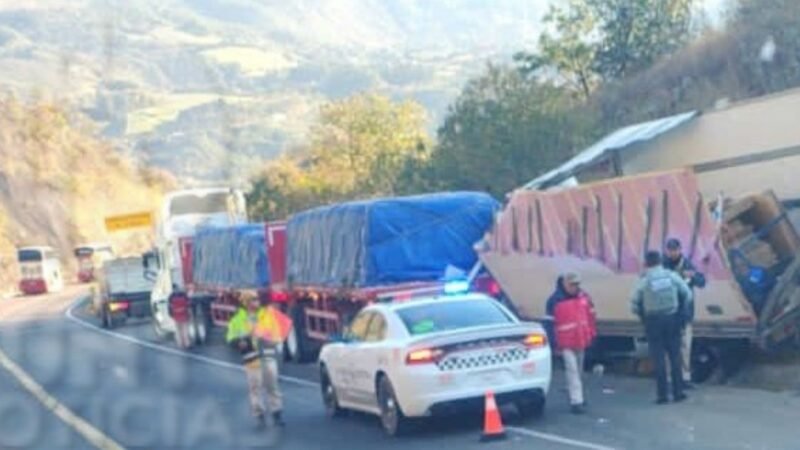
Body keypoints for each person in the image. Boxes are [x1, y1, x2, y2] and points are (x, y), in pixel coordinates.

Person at [631, 251, 693, 404]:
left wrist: (643, 316)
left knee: (658, 359)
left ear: (646, 263)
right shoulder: (671, 276)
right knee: (675, 356)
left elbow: (634, 303)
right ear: (660, 261)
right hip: (672, 319)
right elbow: (687, 294)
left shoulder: (645, 281)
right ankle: (678, 392)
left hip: (653, 322)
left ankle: (662, 395)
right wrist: (680, 311)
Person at [226, 290, 286, 428]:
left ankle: (277, 414)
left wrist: (270, 339)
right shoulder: (237, 319)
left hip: (268, 356)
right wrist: (238, 342)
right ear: (246, 302)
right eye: (253, 299)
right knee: (255, 388)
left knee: (272, 386)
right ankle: (259, 416)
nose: (256, 302)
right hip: (251, 359)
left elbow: (276, 335)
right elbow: (230, 338)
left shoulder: (266, 316)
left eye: (257, 299)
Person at [546, 272, 597, 415]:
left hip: (580, 339)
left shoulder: (584, 297)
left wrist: (592, 333)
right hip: (565, 343)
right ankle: (577, 401)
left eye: (577, 284)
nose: (576, 287)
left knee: (578, 370)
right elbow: (550, 325)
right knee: (572, 370)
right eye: (572, 284)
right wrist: (554, 344)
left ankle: (577, 396)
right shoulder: (554, 301)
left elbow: (591, 316)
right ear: (564, 284)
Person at [663, 238, 706, 389]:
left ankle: (685, 378)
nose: (672, 252)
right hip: (668, 315)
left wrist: (693, 276)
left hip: (685, 314)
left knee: (685, 348)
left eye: (675, 249)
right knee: (669, 348)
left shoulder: (687, 264)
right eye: (670, 249)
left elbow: (702, 282)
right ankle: (670, 378)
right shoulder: (663, 266)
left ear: (680, 249)